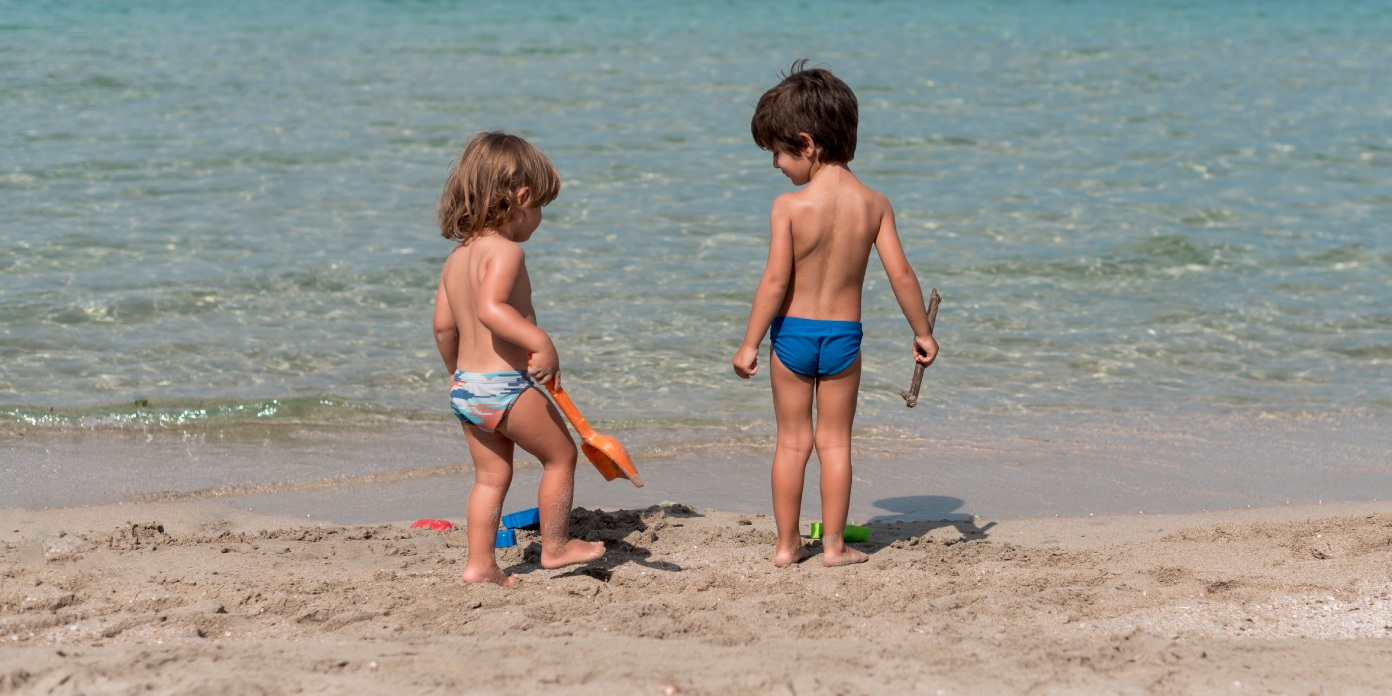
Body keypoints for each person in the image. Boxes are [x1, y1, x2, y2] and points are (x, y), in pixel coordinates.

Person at [732, 61, 939, 567]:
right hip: (844, 337)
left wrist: (750, 343)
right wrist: (922, 333)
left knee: (791, 443)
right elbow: (903, 276)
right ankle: (834, 547)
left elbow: (775, 282)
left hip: (793, 336)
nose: (776, 165)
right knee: (836, 443)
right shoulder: (874, 203)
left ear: (806, 144)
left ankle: (785, 547)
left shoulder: (789, 207)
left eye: (778, 153)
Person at [433, 131, 605, 586]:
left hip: (467, 388)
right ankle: (555, 546)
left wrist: (454, 373)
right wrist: (540, 340)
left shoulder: (456, 259)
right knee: (562, 456)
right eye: (541, 206)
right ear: (522, 197)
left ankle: (481, 565)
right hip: (502, 388)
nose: (540, 217)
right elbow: (493, 310)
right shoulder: (507, 252)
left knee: (491, 478)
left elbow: (444, 327)